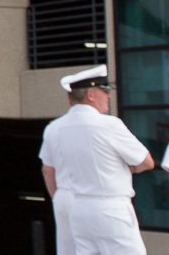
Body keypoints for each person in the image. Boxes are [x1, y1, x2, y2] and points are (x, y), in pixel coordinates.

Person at [39, 64, 154, 255]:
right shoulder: (108, 125)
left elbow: (47, 169)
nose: (108, 96)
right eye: (104, 91)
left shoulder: (56, 127)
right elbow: (146, 162)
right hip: (110, 208)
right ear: (91, 95)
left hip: (79, 208)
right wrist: (129, 169)